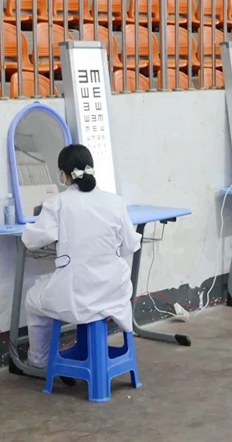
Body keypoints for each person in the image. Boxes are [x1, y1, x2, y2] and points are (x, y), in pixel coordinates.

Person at [21, 144, 142, 370]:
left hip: (76, 297)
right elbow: (130, 245)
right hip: (113, 292)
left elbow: (32, 240)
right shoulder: (115, 202)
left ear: (63, 175)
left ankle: (39, 361)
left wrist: (28, 229)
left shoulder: (57, 204)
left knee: (32, 298)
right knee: (64, 287)